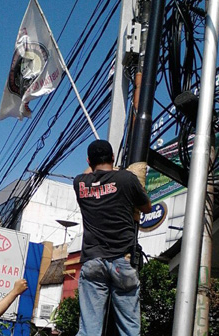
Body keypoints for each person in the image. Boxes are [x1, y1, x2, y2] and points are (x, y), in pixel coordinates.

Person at [73, 139, 152, 336]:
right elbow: (147, 207)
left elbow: (86, 173)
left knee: (89, 330)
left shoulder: (80, 183)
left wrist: (98, 168)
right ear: (113, 157)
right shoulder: (127, 179)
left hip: (93, 261)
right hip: (122, 261)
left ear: (89, 160)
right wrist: (116, 171)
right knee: (129, 330)